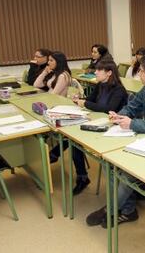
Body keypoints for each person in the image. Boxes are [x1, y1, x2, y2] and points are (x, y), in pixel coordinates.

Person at [86, 54, 145, 228]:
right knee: (111, 164)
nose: (139, 74)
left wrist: (133, 123)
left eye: (142, 71)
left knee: (126, 173)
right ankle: (128, 210)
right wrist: (119, 115)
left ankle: (111, 209)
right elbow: (131, 108)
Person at [49, 60, 129, 195]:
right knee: (73, 140)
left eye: (99, 70)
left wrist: (85, 102)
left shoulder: (119, 90)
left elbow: (108, 109)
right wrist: (80, 98)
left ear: (109, 73)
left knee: (74, 139)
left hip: (113, 128)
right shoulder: (100, 85)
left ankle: (54, 154)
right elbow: (90, 100)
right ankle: (82, 177)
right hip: (97, 121)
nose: (95, 72)